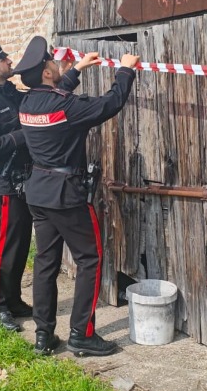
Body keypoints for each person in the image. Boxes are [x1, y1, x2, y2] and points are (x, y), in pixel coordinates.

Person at [12, 37, 140, 356]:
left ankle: (44, 335)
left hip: (38, 194)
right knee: (89, 259)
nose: (57, 64)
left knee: (45, 263)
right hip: (67, 196)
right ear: (45, 73)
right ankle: (82, 333)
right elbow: (109, 104)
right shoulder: (64, 107)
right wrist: (125, 71)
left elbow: (54, 98)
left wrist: (77, 71)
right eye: (53, 64)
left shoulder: (27, 104)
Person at [0, 35, 85, 332]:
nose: (9, 61)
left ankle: (15, 299)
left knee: (21, 246)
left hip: (28, 179)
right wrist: (26, 134)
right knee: (6, 244)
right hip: (6, 182)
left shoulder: (11, 93)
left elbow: (43, 103)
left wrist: (74, 72)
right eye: (2, 59)